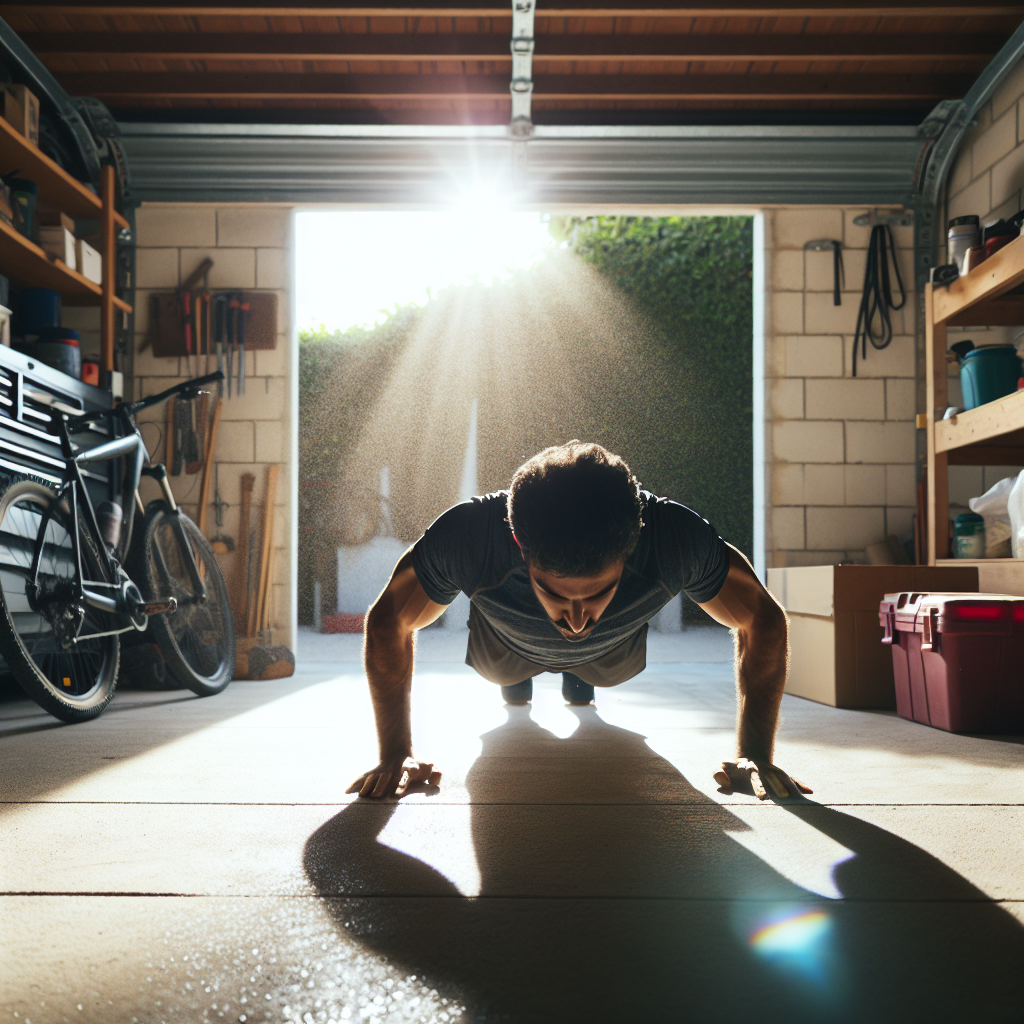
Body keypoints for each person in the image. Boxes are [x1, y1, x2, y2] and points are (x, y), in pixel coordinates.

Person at [347, 441, 810, 803]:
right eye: (555, 593)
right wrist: (395, 754)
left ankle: (577, 674)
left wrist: (753, 752)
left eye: (596, 593)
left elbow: (762, 619)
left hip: (611, 655)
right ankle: (523, 681)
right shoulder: (472, 535)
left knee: (590, 666)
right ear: (518, 544)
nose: (574, 621)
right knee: (509, 677)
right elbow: (390, 620)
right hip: (504, 649)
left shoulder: (672, 538)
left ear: (631, 550)